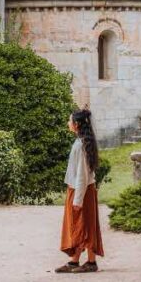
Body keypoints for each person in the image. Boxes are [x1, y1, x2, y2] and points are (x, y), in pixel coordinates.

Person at [55, 107, 105, 273]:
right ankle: (75, 261)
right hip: (79, 190)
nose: (68, 123)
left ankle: (91, 262)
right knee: (79, 224)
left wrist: (77, 199)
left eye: (70, 120)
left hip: (81, 191)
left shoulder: (82, 145)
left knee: (85, 225)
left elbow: (82, 175)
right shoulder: (82, 143)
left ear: (76, 124)